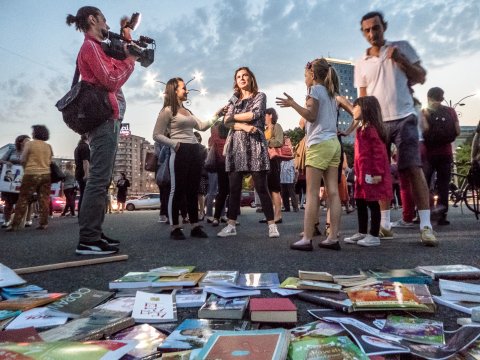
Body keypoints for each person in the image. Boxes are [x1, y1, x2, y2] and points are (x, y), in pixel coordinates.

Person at [355, 11, 437, 246]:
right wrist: (363, 124)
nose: (372, 33)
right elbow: (362, 98)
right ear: (363, 32)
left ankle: (426, 226)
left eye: (376, 28)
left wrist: (401, 59)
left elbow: (421, 76)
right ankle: (384, 225)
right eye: (367, 30)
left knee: (412, 167)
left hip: (404, 117)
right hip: (377, 122)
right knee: (378, 172)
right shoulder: (361, 63)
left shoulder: (402, 47)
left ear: (385, 27)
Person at [67, 6, 137, 255]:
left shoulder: (100, 46)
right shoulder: (90, 47)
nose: (106, 23)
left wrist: (127, 36)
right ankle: (87, 239)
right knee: (98, 179)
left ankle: (94, 234)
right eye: (104, 19)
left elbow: (117, 59)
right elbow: (111, 79)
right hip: (103, 120)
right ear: (92, 19)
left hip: (109, 119)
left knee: (102, 179)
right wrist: (131, 61)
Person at [276, 58, 342, 251]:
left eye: (305, 75)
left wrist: (293, 104)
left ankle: (306, 238)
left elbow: (311, 116)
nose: (305, 79)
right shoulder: (331, 93)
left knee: (312, 192)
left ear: (313, 75)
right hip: (333, 144)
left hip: (319, 143)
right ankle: (332, 238)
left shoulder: (316, 90)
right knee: (333, 192)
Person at [153, 77, 222, 240]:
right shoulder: (167, 110)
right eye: (183, 88)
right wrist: (174, 144)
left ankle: (195, 226)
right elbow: (156, 135)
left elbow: (203, 127)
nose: (187, 90)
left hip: (194, 150)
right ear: (174, 90)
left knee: (192, 190)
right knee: (177, 190)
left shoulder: (188, 111)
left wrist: (217, 115)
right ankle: (175, 227)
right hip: (179, 151)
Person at [217, 67, 279, 238]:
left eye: (245, 75)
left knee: (261, 187)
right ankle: (231, 225)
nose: (242, 78)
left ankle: (271, 225)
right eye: (238, 76)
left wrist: (234, 118)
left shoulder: (260, 95)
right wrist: (243, 125)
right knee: (234, 187)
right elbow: (225, 122)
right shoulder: (233, 100)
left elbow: (256, 114)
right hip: (236, 144)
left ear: (251, 78)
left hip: (255, 143)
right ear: (235, 81)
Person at [343, 96, 392, 247]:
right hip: (361, 173)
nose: (353, 109)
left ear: (365, 109)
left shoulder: (372, 130)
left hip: (371, 173)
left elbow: (378, 153)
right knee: (360, 201)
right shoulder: (361, 129)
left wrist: (377, 173)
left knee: (372, 202)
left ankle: (374, 234)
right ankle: (362, 231)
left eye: (356, 106)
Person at [421, 87, 460, 225]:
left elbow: (423, 131)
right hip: (446, 153)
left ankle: (423, 214)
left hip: (429, 154)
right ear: (442, 97)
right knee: (444, 185)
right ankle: (442, 216)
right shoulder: (450, 111)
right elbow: (458, 131)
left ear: (428, 97)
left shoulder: (424, 111)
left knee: (424, 184)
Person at [6, 126, 52, 232]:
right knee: (44, 200)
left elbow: (22, 159)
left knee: (23, 199)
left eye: (33, 131)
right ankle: (43, 223)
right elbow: (50, 161)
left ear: (35, 133)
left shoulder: (29, 144)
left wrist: (25, 168)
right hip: (46, 174)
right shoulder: (48, 146)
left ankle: (15, 224)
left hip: (31, 173)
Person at [260, 107, 284, 224]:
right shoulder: (264, 129)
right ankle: (270, 215)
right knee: (267, 188)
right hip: (264, 160)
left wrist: (266, 141)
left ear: (270, 115)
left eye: (265, 115)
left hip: (273, 160)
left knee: (274, 188)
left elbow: (280, 141)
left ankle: (278, 215)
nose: (263, 117)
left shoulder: (276, 126)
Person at [0, 135, 30, 228]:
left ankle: (19, 220)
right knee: (8, 202)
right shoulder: (12, 150)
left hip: (23, 179)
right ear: (20, 142)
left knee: (21, 201)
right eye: (27, 141)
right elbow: (1, 160)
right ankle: (7, 220)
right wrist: (7, 162)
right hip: (9, 178)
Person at [74, 134, 90, 217]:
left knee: (82, 194)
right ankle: (83, 214)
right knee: (85, 195)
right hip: (83, 174)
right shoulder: (85, 147)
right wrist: (86, 175)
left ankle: (81, 214)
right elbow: (85, 161)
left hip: (78, 173)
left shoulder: (77, 147)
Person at [195, 131, 208, 221]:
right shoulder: (190, 147)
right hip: (193, 172)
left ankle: (202, 211)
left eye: (196, 137)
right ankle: (197, 212)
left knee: (200, 193)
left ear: (199, 138)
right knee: (194, 194)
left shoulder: (203, 148)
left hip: (200, 173)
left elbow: (206, 161)